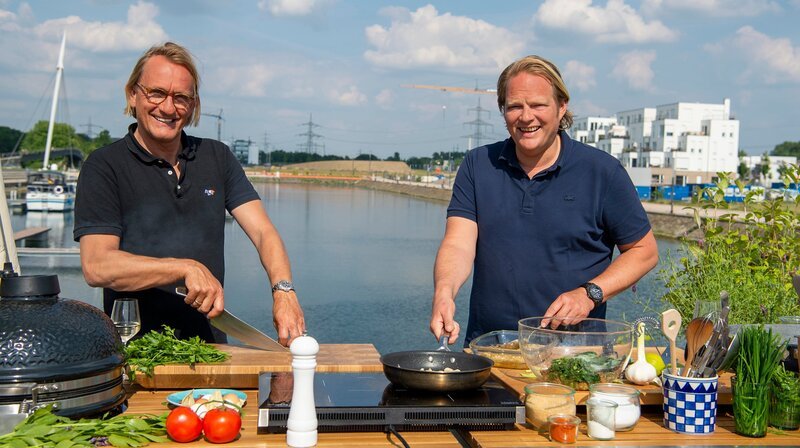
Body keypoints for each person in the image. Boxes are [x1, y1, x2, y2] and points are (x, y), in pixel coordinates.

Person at [74, 42, 305, 345]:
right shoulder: (104, 166)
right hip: (138, 354)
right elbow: (97, 266)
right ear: (133, 94)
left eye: (181, 98)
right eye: (156, 93)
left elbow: (263, 231)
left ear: (194, 105)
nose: (168, 108)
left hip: (210, 351)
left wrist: (284, 291)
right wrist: (185, 268)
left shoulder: (217, 157)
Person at [429, 55, 658, 346]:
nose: (526, 117)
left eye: (538, 105)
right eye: (514, 106)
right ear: (503, 111)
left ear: (562, 107)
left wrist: (590, 294)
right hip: (490, 350)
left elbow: (644, 250)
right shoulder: (478, 165)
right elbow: (458, 243)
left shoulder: (602, 172)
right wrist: (444, 293)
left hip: (575, 355)